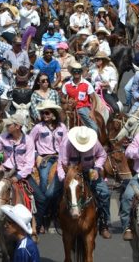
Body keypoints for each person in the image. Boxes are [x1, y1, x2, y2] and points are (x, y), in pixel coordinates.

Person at [58, 126, 112, 239]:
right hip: (71, 173)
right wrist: (65, 179)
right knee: (52, 193)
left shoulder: (95, 143)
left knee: (105, 193)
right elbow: (61, 163)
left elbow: (102, 155)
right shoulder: (66, 144)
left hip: (90, 170)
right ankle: (55, 218)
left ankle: (104, 223)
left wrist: (97, 168)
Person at [28, 100, 67, 232]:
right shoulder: (38, 127)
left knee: (63, 181)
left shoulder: (62, 127)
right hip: (44, 158)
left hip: (60, 158)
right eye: (42, 113)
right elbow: (29, 143)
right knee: (44, 180)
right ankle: (43, 216)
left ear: (54, 114)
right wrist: (36, 155)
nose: (44, 115)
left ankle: (57, 212)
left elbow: (66, 144)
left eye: (47, 113)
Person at [62, 61, 98, 132]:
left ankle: (94, 142)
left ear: (81, 72)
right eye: (74, 71)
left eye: (78, 71)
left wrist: (92, 112)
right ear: (72, 72)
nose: (76, 73)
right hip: (70, 108)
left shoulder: (87, 84)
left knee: (94, 128)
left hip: (83, 107)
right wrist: (67, 101)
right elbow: (62, 98)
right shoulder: (66, 85)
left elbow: (94, 100)